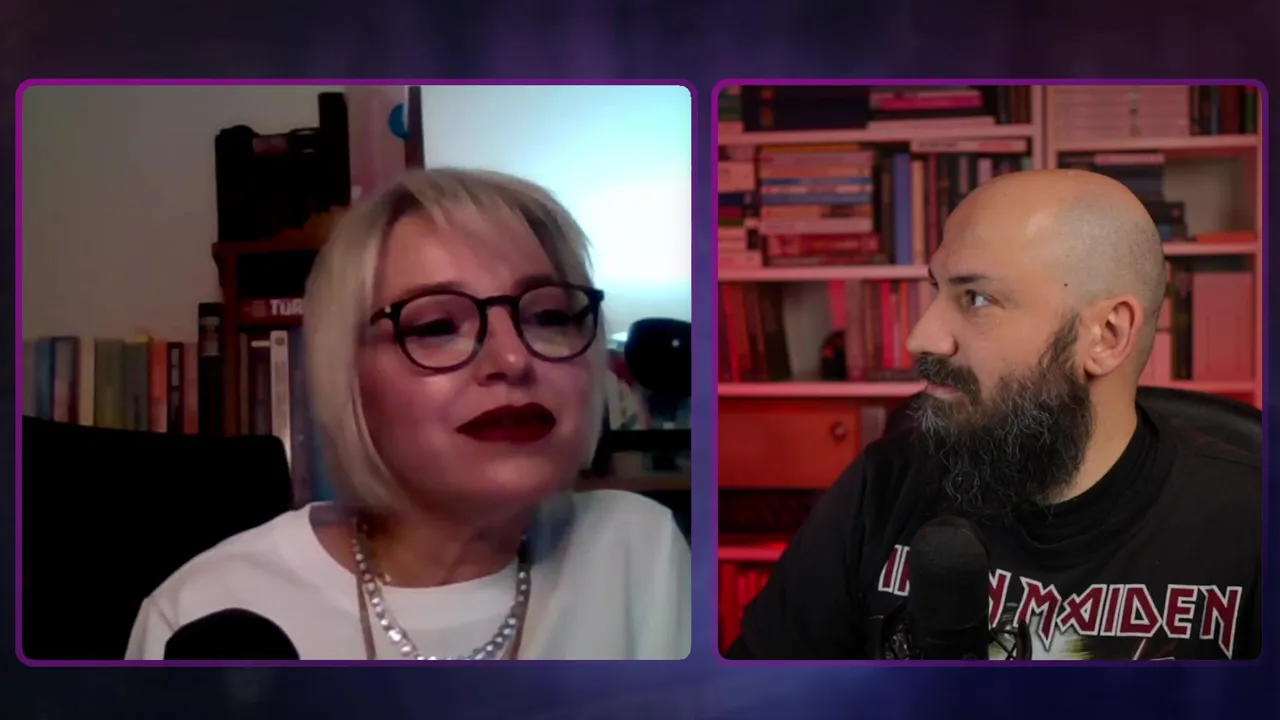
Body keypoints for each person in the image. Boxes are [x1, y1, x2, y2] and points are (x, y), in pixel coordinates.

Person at [126, 169, 691, 661]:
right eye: (437, 326)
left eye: (548, 317)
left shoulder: (638, 550)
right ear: (346, 376)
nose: (514, 360)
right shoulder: (204, 611)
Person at [726, 169, 1261, 661]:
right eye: (938, 289)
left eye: (977, 298)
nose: (922, 338)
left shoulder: (1253, 524)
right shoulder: (882, 486)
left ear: (1106, 335)